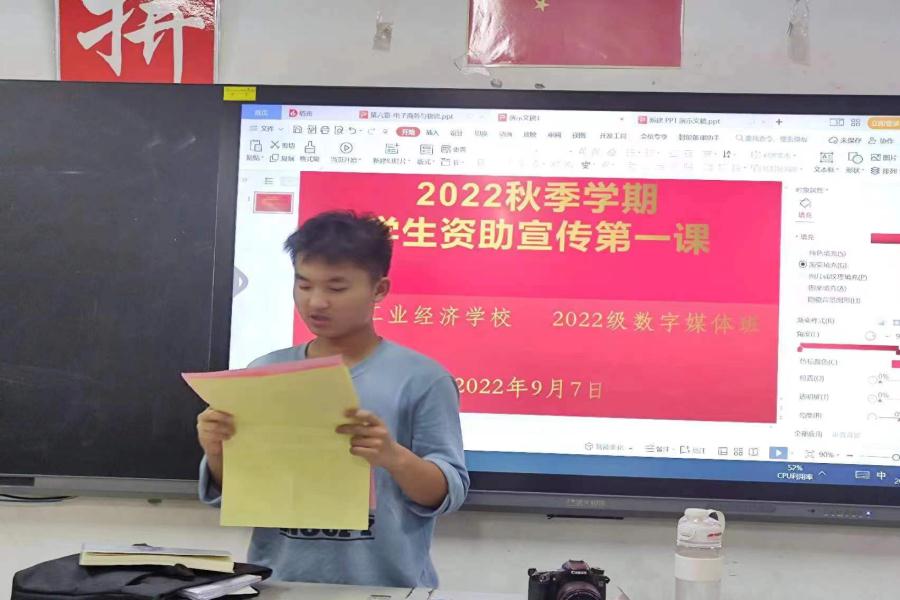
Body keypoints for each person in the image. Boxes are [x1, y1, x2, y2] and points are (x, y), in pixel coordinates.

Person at [196, 210, 469, 588]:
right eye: (304, 285)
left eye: (336, 288)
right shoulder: (266, 371)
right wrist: (217, 453)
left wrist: (393, 456)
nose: (316, 302)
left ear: (379, 290)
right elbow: (240, 491)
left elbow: (447, 492)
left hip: (387, 587)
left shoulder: (422, 378)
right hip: (279, 583)